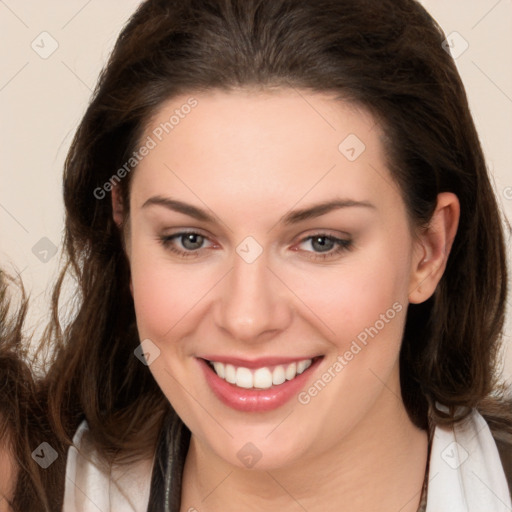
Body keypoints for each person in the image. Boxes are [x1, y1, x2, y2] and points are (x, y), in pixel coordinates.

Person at [41, 0, 512, 510]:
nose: (248, 318)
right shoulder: (26, 484)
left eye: (321, 242)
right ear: (125, 234)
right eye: (189, 239)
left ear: (429, 250)